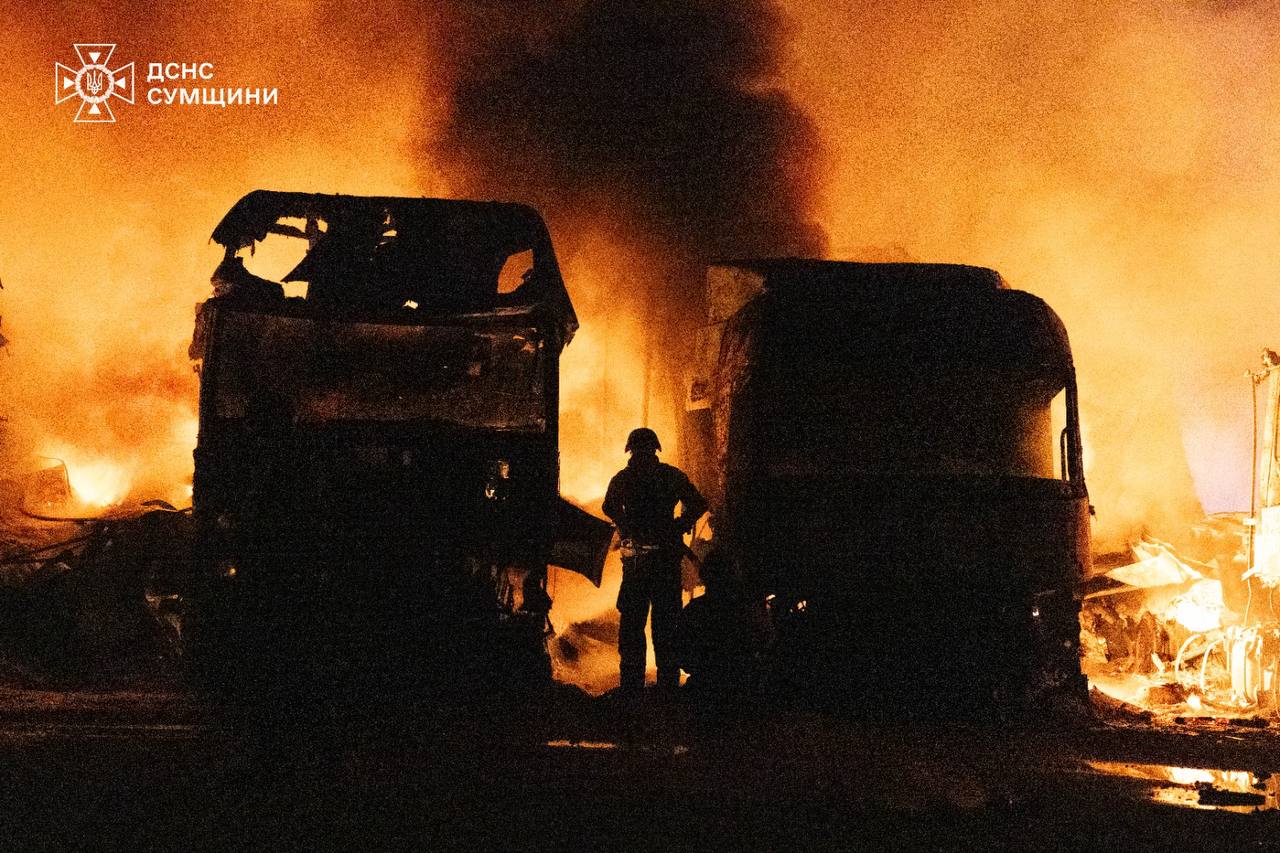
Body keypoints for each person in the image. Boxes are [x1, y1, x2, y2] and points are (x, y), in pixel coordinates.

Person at [602, 427, 708, 697]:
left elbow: (608, 506)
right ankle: (666, 687)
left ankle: (633, 688)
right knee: (664, 626)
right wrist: (678, 526)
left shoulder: (625, 479)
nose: (640, 457)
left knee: (636, 626)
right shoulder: (670, 476)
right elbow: (698, 503)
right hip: (663, 563)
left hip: (639, 565)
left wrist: (627, 526)